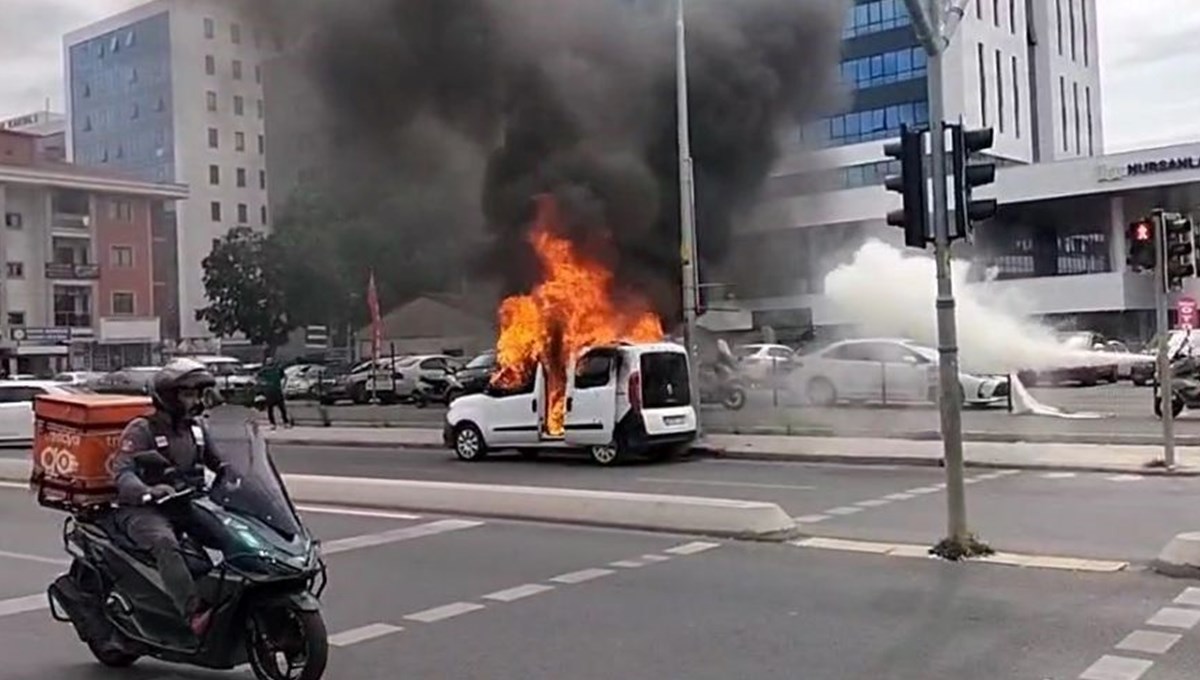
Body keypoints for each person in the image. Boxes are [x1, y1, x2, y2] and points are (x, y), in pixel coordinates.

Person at [111, 358, 226, 637]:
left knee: (231, 533)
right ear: (168, 397)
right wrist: (146, 491)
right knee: (165, 542)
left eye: (197, 394)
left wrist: (238, 476)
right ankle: (194, 613)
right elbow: (122, 472)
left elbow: (219, 462)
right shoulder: (142, 429)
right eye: (187, 394)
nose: (194, 400)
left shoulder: (196, 428)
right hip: (144, 510)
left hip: (185, 504)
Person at [257, 356, 291, 428]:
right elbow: (257, 378)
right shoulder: (264, 370)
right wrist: (263, 384)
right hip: (269, 391)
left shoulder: (278, 369)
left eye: (271, 361)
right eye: (268, 361)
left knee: (282, 408)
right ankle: (272, 423)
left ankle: (286, 422)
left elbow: (284, 377)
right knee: (270, 408)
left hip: (277, 390)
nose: (269, 362)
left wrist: (283, 385)